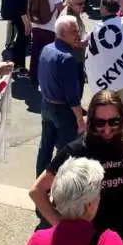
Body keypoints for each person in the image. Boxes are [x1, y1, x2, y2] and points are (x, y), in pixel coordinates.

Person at [30, 92, 123, 245]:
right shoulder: (77, 150)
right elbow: (37, 191)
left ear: (122, 119)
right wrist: (60, 225)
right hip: (87, 240)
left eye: (114, 122)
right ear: (91, 121)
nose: (107, 129)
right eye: (100, 123)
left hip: (122, 234)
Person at [27, 157, 123, 245]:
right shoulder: (109, 243)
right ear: (88, 204)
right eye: (99, 192)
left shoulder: (36, 241)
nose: (100, 197)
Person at [35, 15, 85, 176]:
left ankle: (40, 183)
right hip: (63, 111)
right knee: (67, 152)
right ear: (63, 33)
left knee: (45, 147)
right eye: (74, 31)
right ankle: (58, 186)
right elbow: (72, 95)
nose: (78, 34)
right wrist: (79, 119)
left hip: (46, 105)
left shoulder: (47, 49)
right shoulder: (68, 58)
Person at [29, 0, 64, 86]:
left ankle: (33, 77)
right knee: (48, 54)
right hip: (50, 27)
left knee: (35, 52)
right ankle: (47, 78)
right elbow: (61, 9)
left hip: (36, 26)